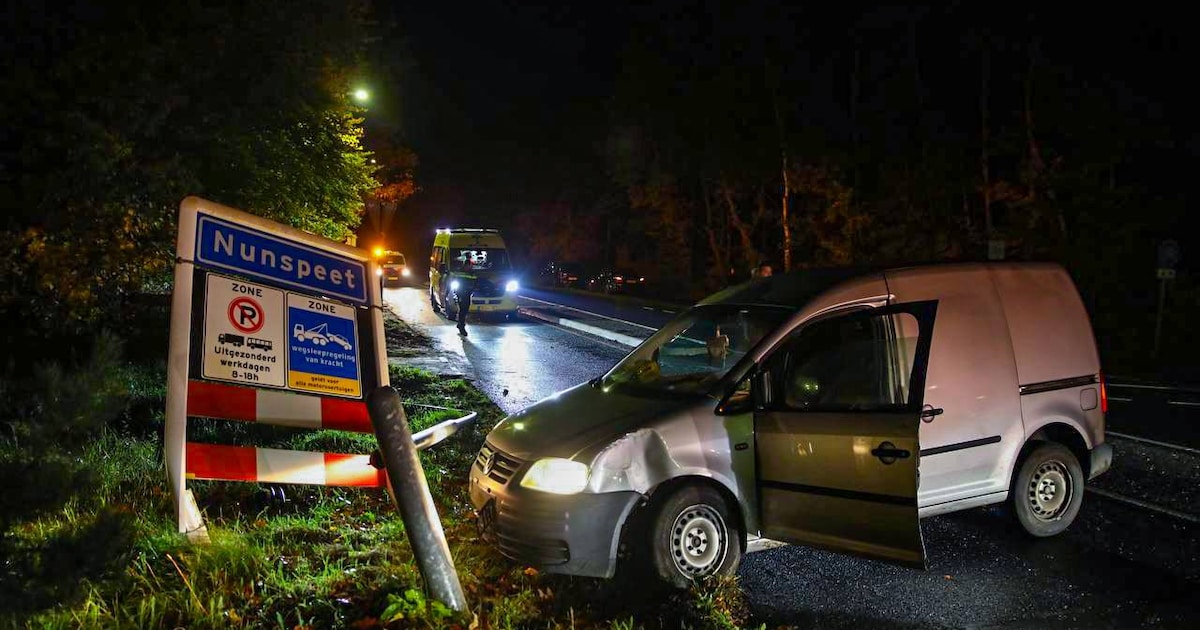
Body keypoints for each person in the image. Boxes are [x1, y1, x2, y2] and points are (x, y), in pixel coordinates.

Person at [454, 255, 478, 336]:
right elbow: (456, 283)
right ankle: (461, 326)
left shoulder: (472, 273)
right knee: (463, 310)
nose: (470, 267)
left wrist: (473, 290)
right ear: (466, 265)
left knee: (465, 310)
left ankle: (460, 324)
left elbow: (474, 283)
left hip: (467, 294)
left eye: (471, 266)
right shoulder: (459, 272)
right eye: (469, 265)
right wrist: (457, 293)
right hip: (461, 293)